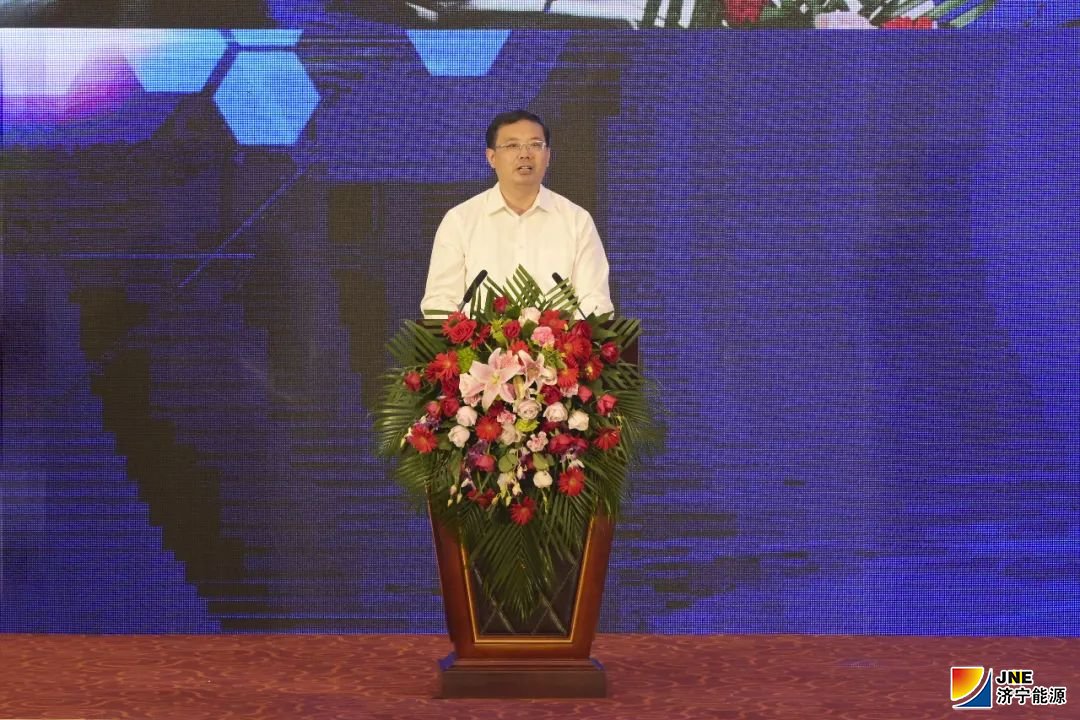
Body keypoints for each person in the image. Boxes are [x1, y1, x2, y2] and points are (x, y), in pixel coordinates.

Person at [421, 110, 614, 317]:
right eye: (512, 145)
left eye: (535, 145)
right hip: (480, 337)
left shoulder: (577, 220)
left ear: (548, 156)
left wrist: (560, 335)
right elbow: (440, 301)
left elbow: (596, 301)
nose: (525, 154)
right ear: (492, 157)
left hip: (558, 338)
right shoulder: (460, 220)